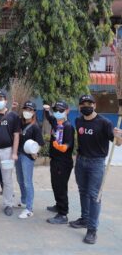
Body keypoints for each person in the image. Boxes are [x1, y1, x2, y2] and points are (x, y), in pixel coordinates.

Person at [69, 95, 122, 244]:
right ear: (79, 107)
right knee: (83, 192)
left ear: (95, 105)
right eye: (83, 104)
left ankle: (92, 229)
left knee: (94, 196)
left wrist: (119, 136)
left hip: (96, 164)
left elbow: (118, 144)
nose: (86, 106)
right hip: (81, 161)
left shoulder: (104, 123)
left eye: (89, 103)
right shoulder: (78, 120)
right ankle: (85, 219)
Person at [43, 100, 75, 224]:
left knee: (60, 187)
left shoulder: (68, 127)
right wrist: (46, 110)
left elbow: (68, 145)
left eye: (61, 110)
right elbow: (49, 117)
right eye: (56, 110)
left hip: (63, 162)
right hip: (55, 160)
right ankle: (58, 205)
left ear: (67, 111)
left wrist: (60, 147)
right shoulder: (56, 122)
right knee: (56, 185)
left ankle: (63, 214)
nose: (57, 112)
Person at [15, 101, 45, 219]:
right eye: (25, 109)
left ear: (34, 112)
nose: (27, 112)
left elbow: (40, 143)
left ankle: (29, 208)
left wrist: (35, 153)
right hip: (18, 154)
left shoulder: (35, 127)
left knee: (28, 182)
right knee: (20, 179)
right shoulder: (20, 123)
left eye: (30, 110)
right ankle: (23, 200)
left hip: (27, 158)